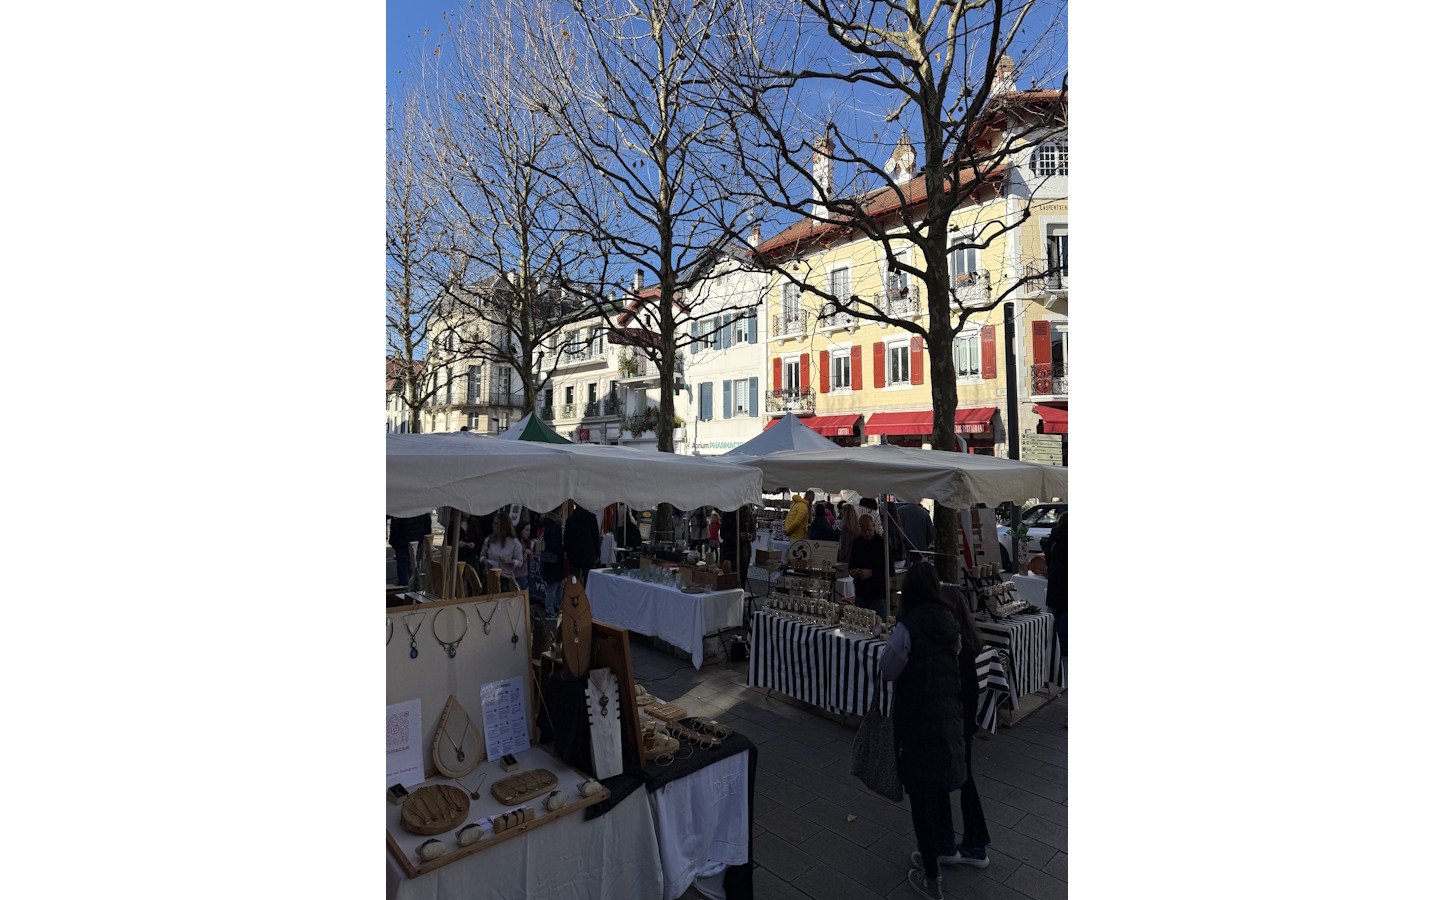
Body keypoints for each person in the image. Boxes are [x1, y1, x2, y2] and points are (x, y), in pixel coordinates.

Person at [880, 562, 987, 900]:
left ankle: (932, 878)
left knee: (920, 798)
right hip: (948, 716)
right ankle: (947, 848)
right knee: (940, 783)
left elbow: (888, 669)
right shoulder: (950, 621)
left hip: (917, 719)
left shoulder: (908, 627)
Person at [847, 513, 889, 619]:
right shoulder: (857, 542)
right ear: (860, 528)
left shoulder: (882, 544)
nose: (867, 533)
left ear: (874, 526)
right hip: (861, 593)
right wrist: (853, 571)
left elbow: (890, 570)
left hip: (877, 594)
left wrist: (872, 572)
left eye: (869, 530)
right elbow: (851, 563)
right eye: (864, 530)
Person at [480, 514, 525, 591]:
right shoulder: (489, 539)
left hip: (506, 579)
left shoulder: (514, 542)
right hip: (489, 578)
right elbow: (482, 556)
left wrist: (511, 561)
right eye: (493, 523)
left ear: (503, 525)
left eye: (496, 523)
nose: (493, 525)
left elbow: (520, 562)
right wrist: (485, 561)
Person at [387, 511, 431, 588]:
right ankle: (413, 590)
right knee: (414, 568)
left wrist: (393, 542)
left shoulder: (401, 510)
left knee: (403, 571)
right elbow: (427, 526)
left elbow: (395, 527)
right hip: (417, 542)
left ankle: (404, 591)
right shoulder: (422, 508)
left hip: (402, 542)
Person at [1045, 511, 1068, 659]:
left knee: (1056, 613)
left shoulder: (1053, 537)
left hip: (1055, 580)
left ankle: (1053, 645)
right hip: (1067, 582)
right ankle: (1064, 649)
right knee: (1066, 615)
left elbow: (1048, 558)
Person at [564, 502, 602, 585]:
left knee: (574, 584)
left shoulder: (570, 520)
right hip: (589, 556)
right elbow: (596, 538)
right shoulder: (592, 518)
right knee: (589, 584)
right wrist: (597, 554)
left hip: (574, 557)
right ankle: (587, 597)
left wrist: (569, 554)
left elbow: (567, 540)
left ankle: (575, 598)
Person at [539, 507, 566, 615]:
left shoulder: (548, 525)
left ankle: (553, 608)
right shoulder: (555, 526)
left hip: (551, 560)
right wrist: (563, 549)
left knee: (554, 586)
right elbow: (556, 545)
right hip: (555, 560)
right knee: (555, 586)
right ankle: (551, 609)